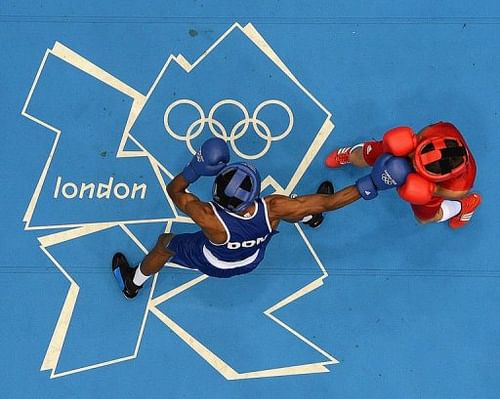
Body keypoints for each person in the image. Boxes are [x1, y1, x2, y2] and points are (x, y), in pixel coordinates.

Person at [113, 137, 411, 298]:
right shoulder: (273, 207)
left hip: (214, 260)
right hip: (253, 258)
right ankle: (310, 218)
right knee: (296, 206)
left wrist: (196, 167)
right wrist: (371, 185)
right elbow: (332, 202)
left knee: (166, 243)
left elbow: (174, 190)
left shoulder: (206, 215)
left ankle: (133, 283)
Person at [325, 121, 481, 228]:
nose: (410, 163)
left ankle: (463, 206)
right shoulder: (438, 130)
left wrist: (412, 187)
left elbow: (433, 191)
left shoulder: (457, 188)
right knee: (381, 149)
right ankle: (351, 155)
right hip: (413, 147)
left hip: (432, 186)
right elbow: (415, 139)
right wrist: (409, 151)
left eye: (417, 165)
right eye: (415, 159)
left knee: (424, 219)